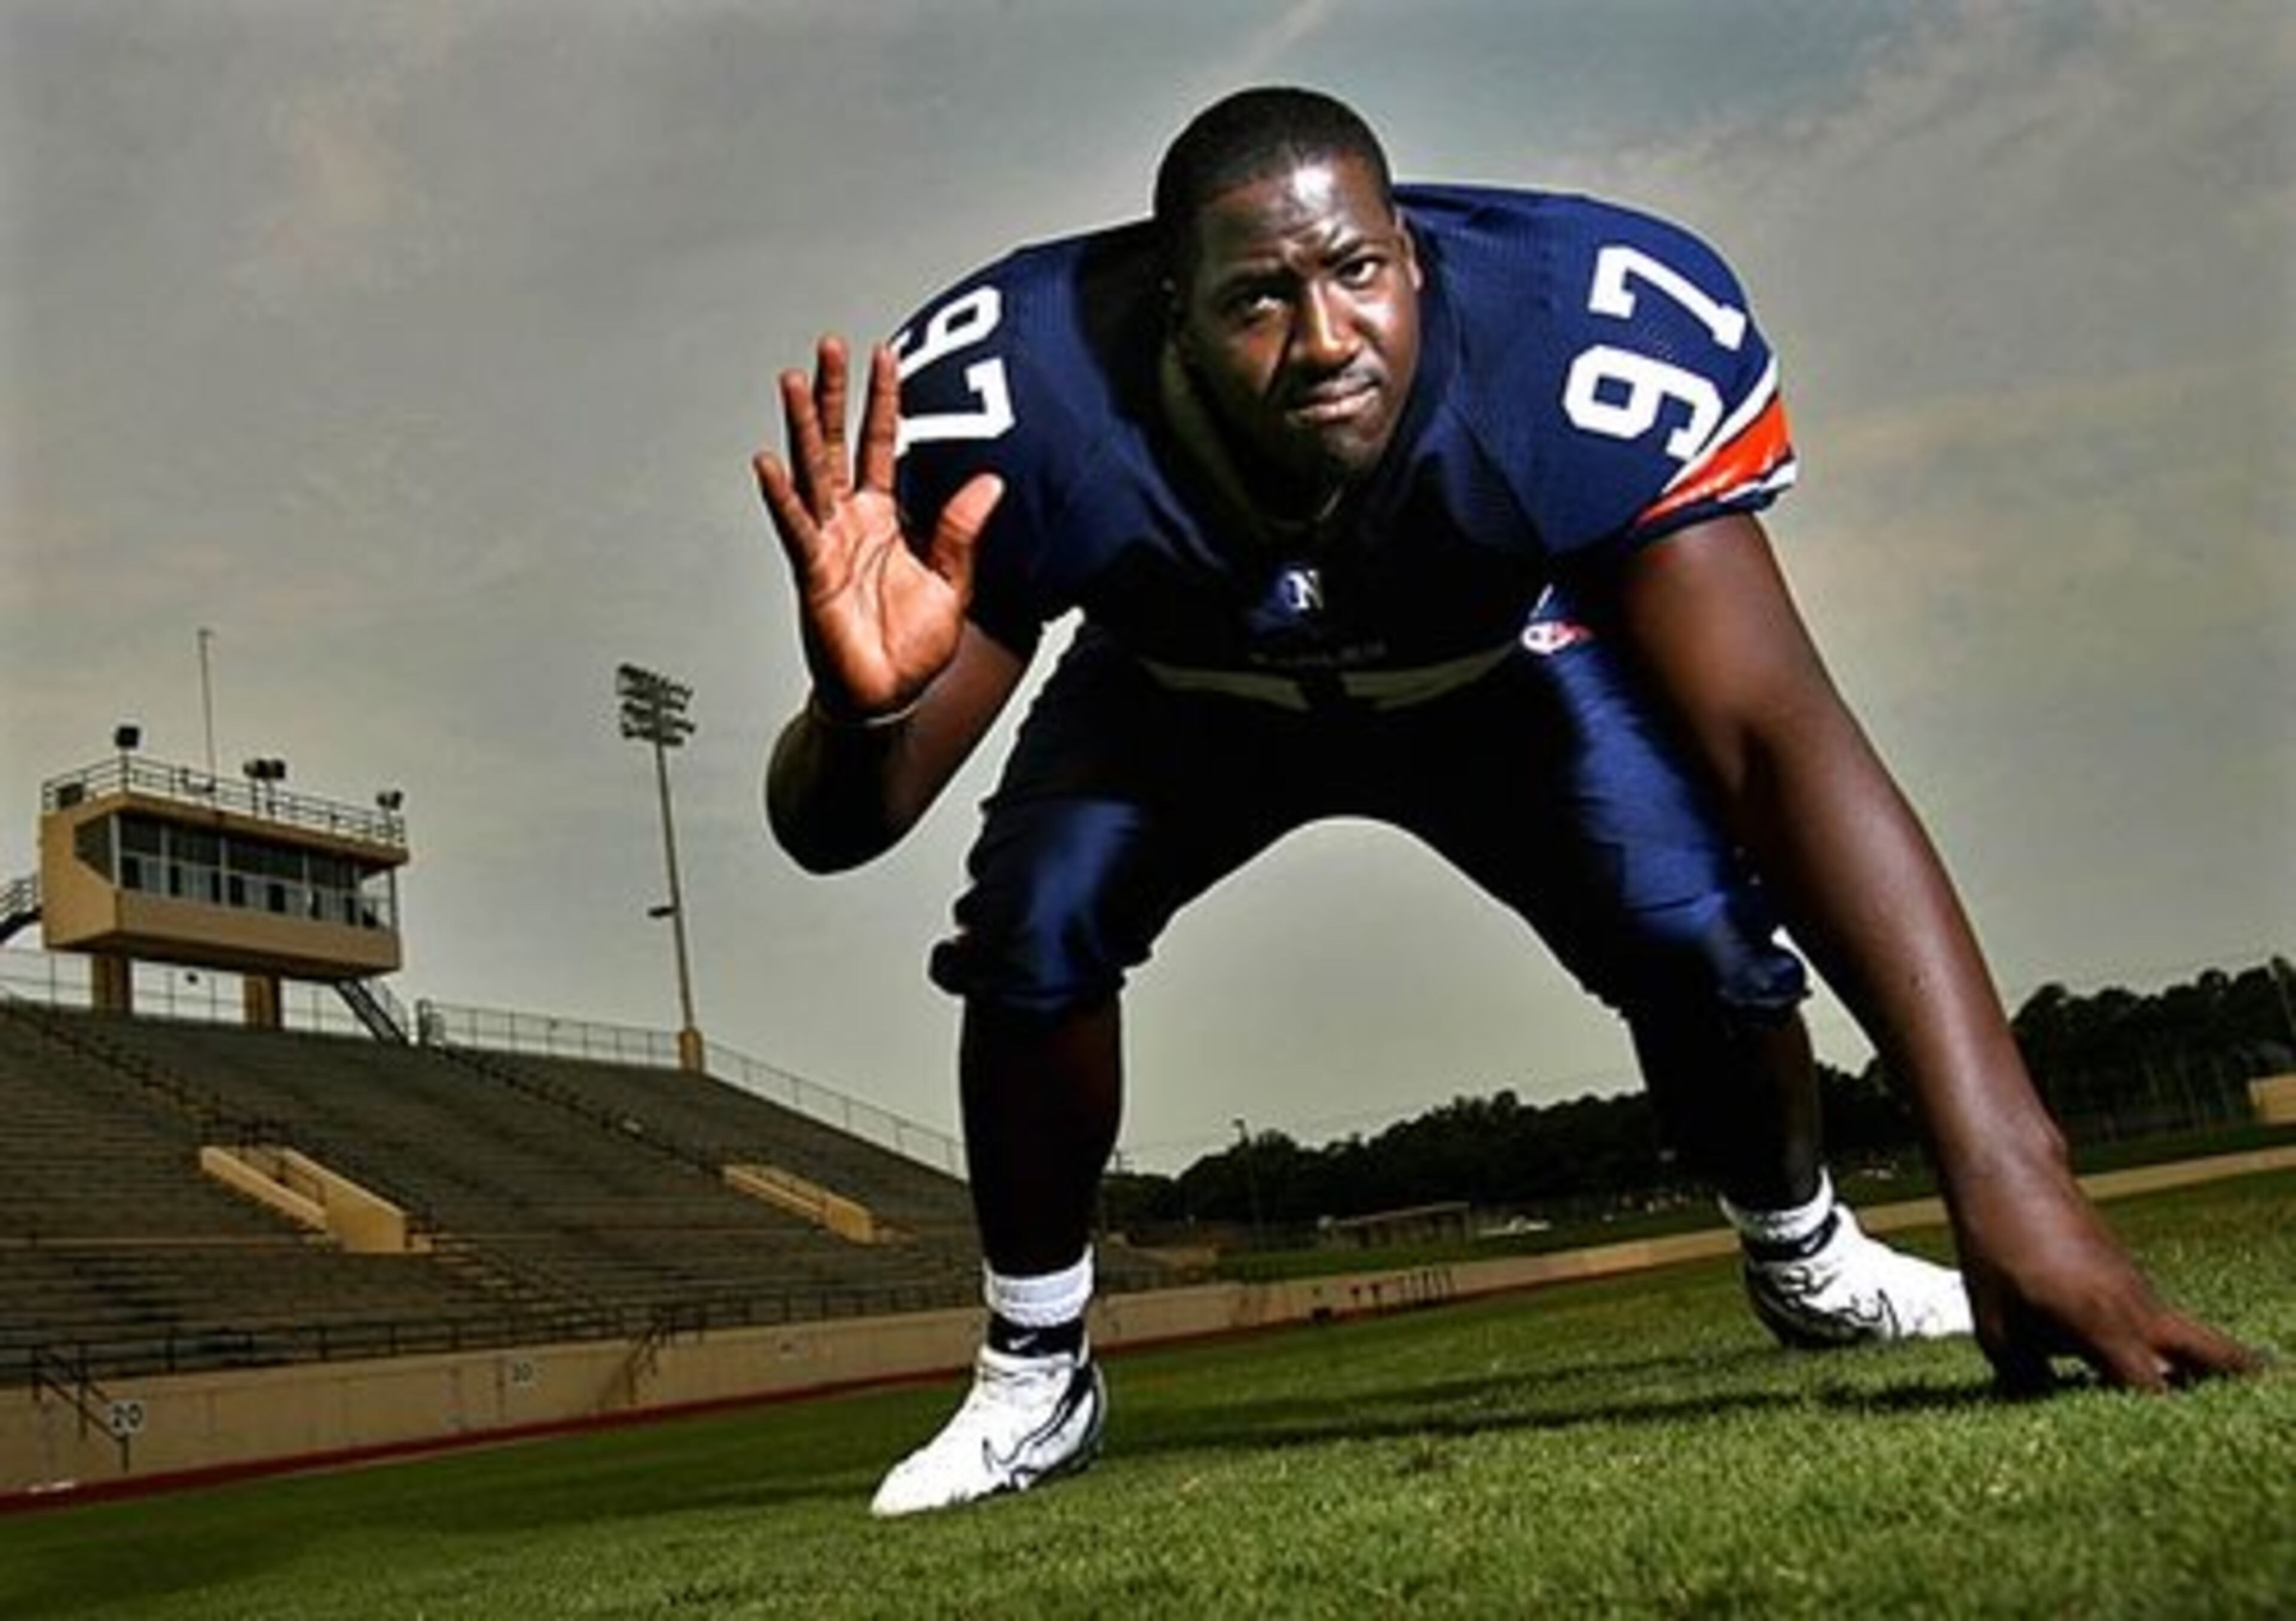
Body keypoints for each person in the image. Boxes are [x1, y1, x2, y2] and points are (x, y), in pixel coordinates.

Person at [753, 88, 2257, 1517]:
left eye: (1357, 271)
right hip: (1182, 697)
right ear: (1173, 311)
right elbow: (838, 828)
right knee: (1033, 924)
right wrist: (861, 706)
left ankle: (1804, 1253)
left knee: (1701, 942)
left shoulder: (1571, 338)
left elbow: (1776, 739)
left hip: (1494, 678)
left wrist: (2010, 1171)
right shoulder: (1022, 395)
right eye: (1256, 299)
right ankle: (1037, 1367)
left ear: (1413, 254)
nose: (1324, 337)